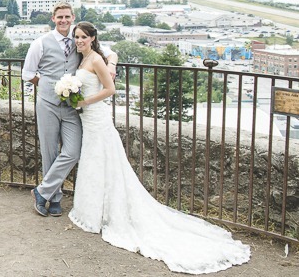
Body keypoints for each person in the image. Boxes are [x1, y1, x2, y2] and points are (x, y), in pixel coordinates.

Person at [68, 21, 250, 274]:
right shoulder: (83, 57)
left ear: (92, 38)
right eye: (76, 37)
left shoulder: (96, 59)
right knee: (94, 162)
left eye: (83, 37)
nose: (79, 40)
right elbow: (111, 56)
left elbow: (110, 89)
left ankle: (104, 213)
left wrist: (84, 100)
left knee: (102, 160)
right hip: (88, 118)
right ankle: (92, 211)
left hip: (97, 117)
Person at [21, 2, 117, 217]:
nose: (64, 21)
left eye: (67, 17)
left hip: (72, 107)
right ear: (53, 19)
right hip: (47, 104)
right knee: (49, 152)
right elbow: (27, 73)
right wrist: (48, 86)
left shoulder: (79, 38)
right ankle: (54, 199)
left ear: (72, 17)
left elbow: (109, 53)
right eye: (59, 17)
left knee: (72, 152)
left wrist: (111, 65)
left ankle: (42, 191)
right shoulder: (40, 43)